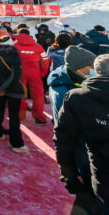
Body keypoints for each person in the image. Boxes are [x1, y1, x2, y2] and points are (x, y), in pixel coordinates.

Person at [55, 54, 109, 214]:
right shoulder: (75, 97)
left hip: (99, 172)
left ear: (96, 71)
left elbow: (63, 139)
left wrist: (68, 173)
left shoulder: (77, 97)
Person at [0, 37, 27, 152]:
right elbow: (15, 74)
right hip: (13, 88)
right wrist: (3, 88)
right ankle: (17, 144)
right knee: (14, 116)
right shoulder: (14, 55)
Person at [14, 29, 50, 124]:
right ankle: (39, 117)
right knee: (38, 94)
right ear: (29, 35)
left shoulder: (14, 46)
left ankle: (20, 115)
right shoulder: (38, 46)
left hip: (19, 71)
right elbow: (45, 61)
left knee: (20, 92)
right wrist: (42, 73)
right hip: (34, 72)